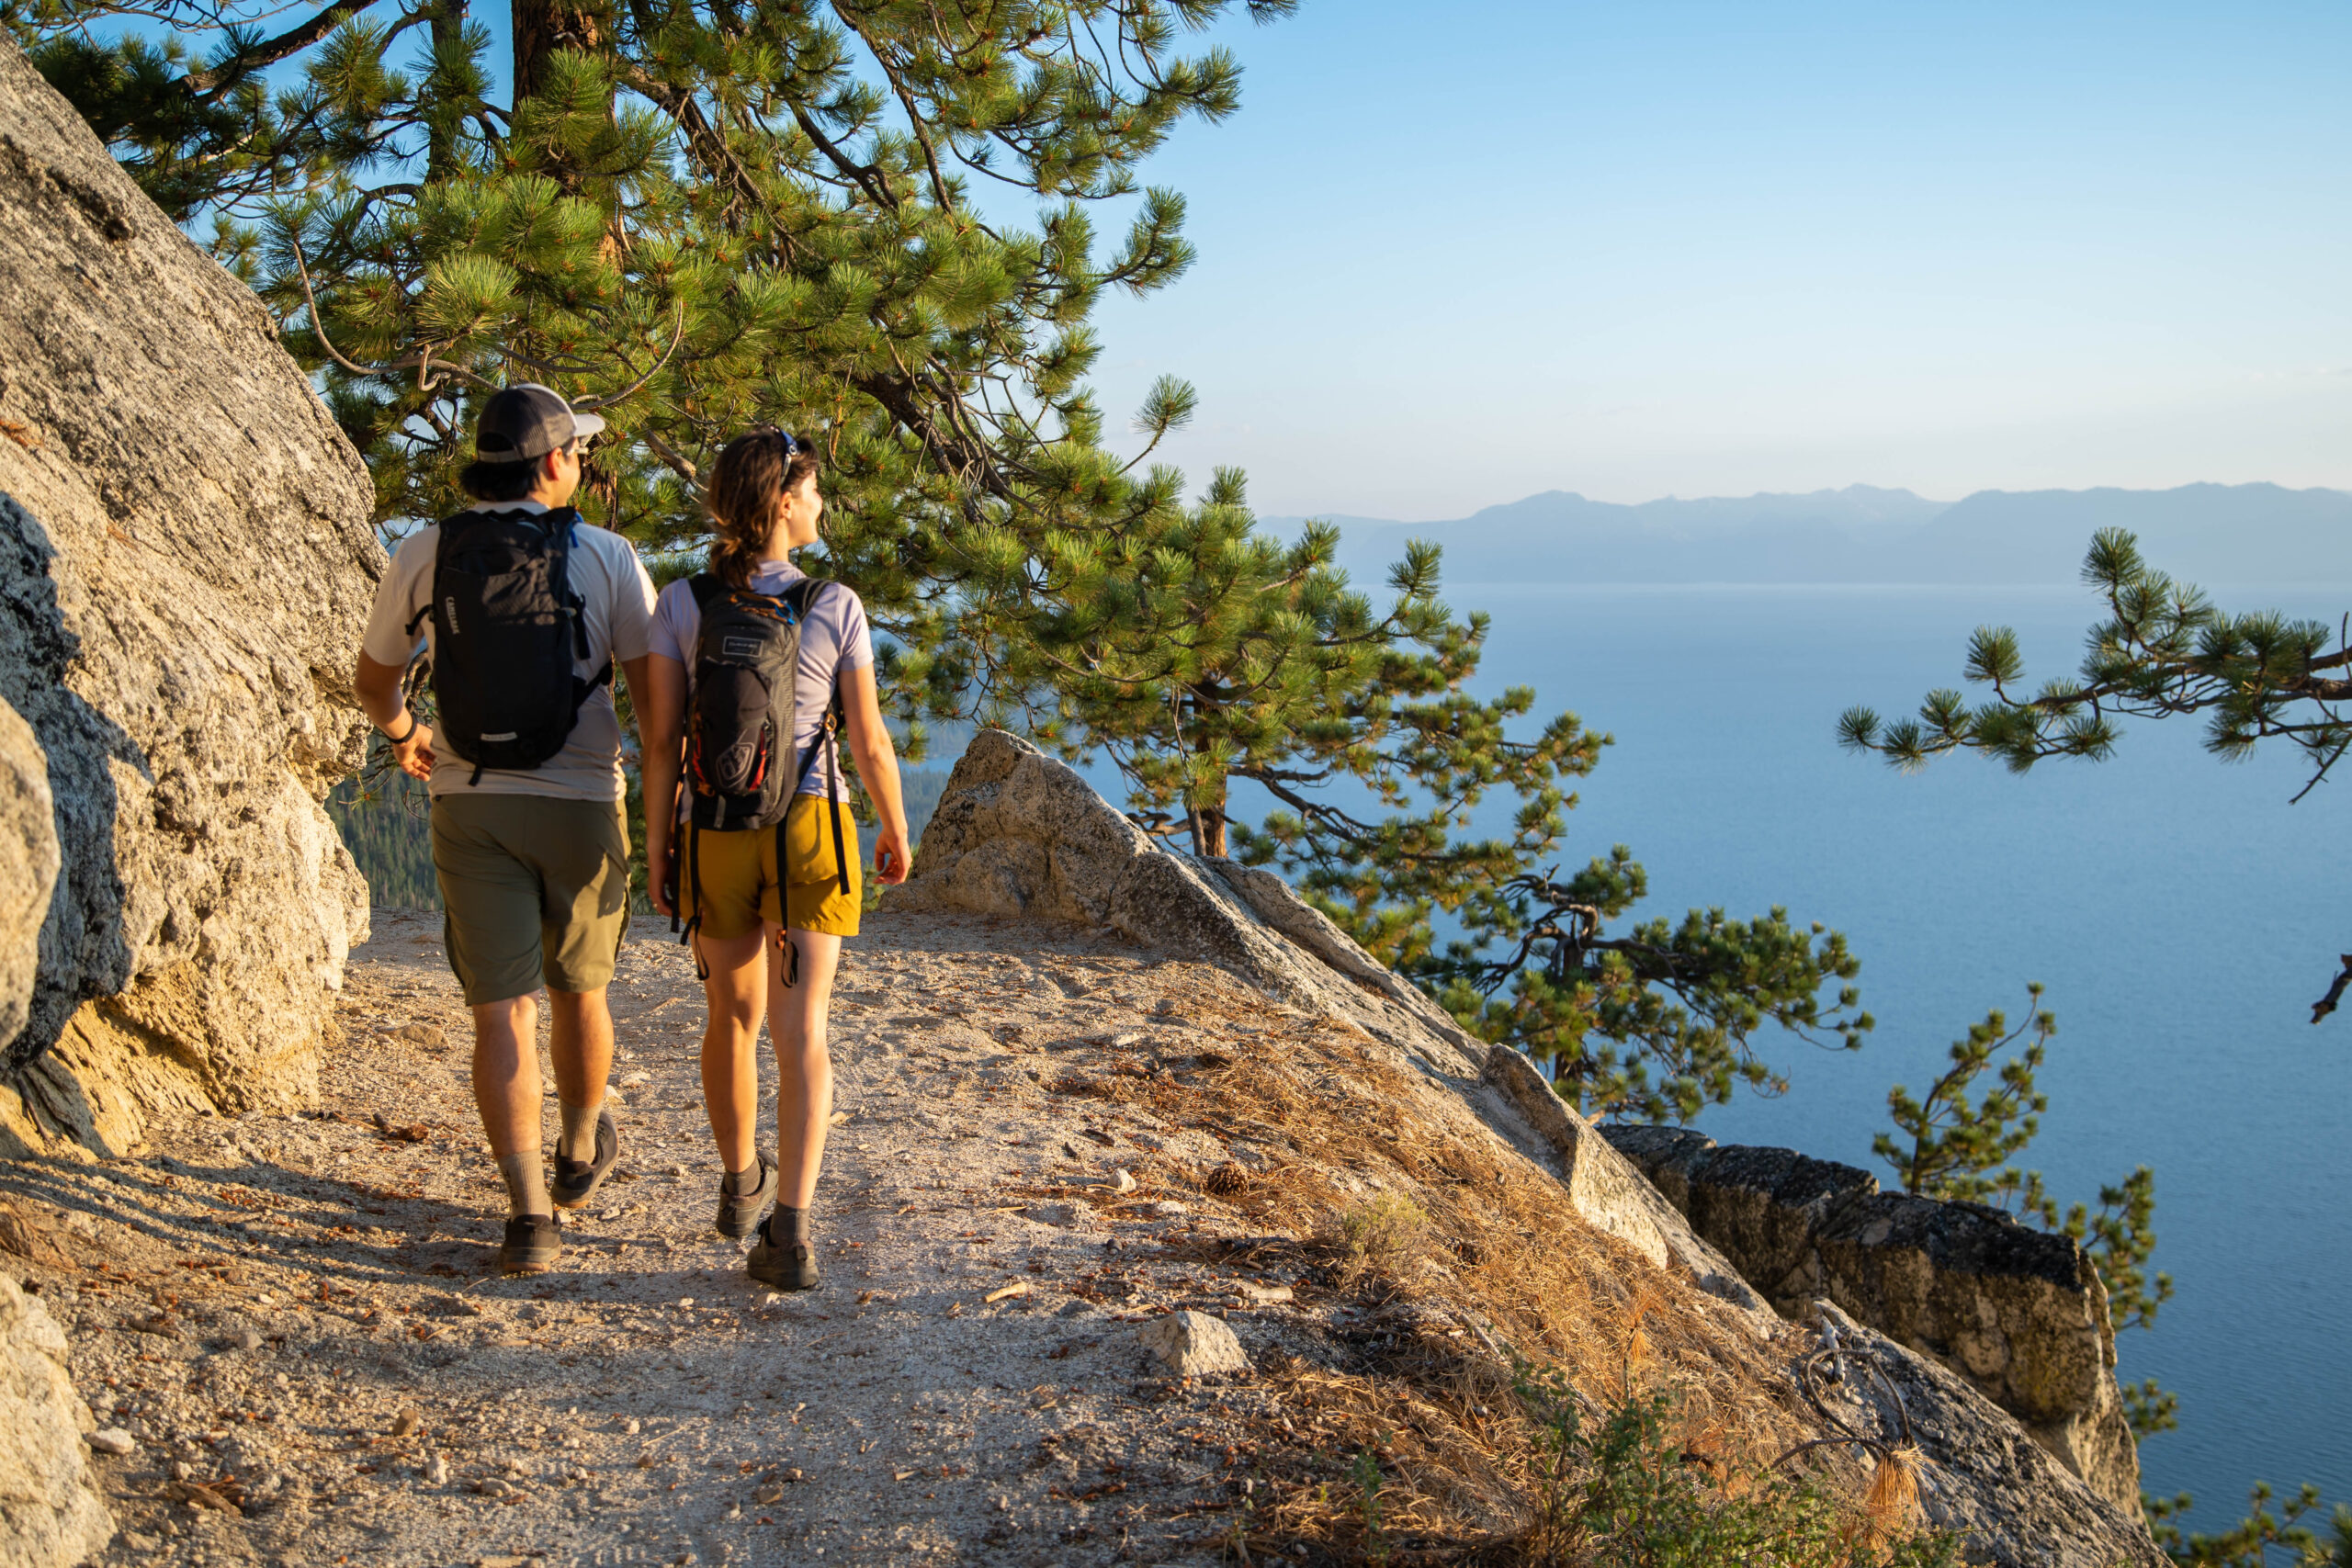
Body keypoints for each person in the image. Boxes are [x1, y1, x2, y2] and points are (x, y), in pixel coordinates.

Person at [352, 384, 657, 1275]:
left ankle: (528, 1220)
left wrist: (410, 736)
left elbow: (374, 684)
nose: (583, 466)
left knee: (501, 1013)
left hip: (470, 798)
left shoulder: (424, 550)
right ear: (554, 462)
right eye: (580, 454)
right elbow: (655, 706)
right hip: (582, 802)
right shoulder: (608, 556)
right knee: (581, 993)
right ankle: (573, 1153)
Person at [641, 428, 911, 1291]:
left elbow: (659, 743)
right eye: (814, 490)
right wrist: (896, 827)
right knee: (805, 1030)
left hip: (714, 825)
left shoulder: (680, 603)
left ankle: (739, 1179)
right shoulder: (836, 603)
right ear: (784, 502)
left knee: (731, 1014)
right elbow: (867, 738)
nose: (822, 503)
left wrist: (658, 844)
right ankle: (791, 1232)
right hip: (812, 829)